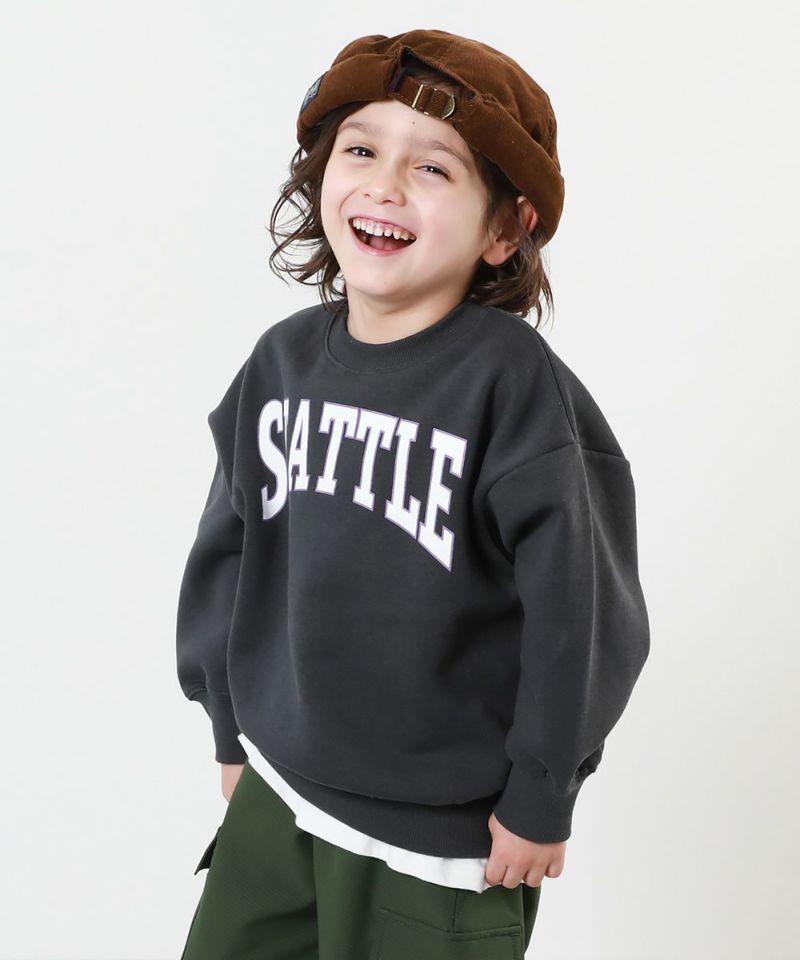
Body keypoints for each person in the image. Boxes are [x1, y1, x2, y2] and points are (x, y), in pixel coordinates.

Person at [175, 28, 651, 959]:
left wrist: (542, 790)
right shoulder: (281, 363)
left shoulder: (510, 385)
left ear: (506, 229)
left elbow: (583, 608)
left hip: (439, 842)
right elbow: (226, 549)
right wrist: (228, 725)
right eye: (360, 150)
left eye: (433, 168)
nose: (385, 186)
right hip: (279, 788)